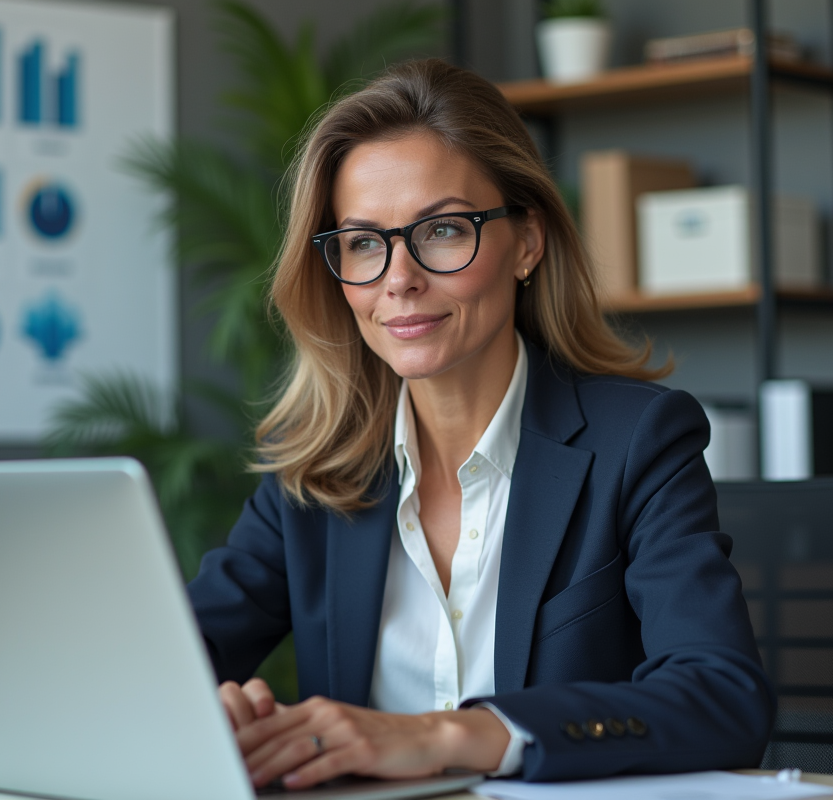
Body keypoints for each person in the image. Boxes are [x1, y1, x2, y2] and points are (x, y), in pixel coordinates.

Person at [186, 58, 774, 790]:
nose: (398, 278)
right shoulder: (313, 473)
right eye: (364, 243)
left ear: (526, 242)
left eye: (441, 230)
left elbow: (724, 701)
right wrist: (208, 708)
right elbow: (166, 664)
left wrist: (442, 736)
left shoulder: (639, 442)